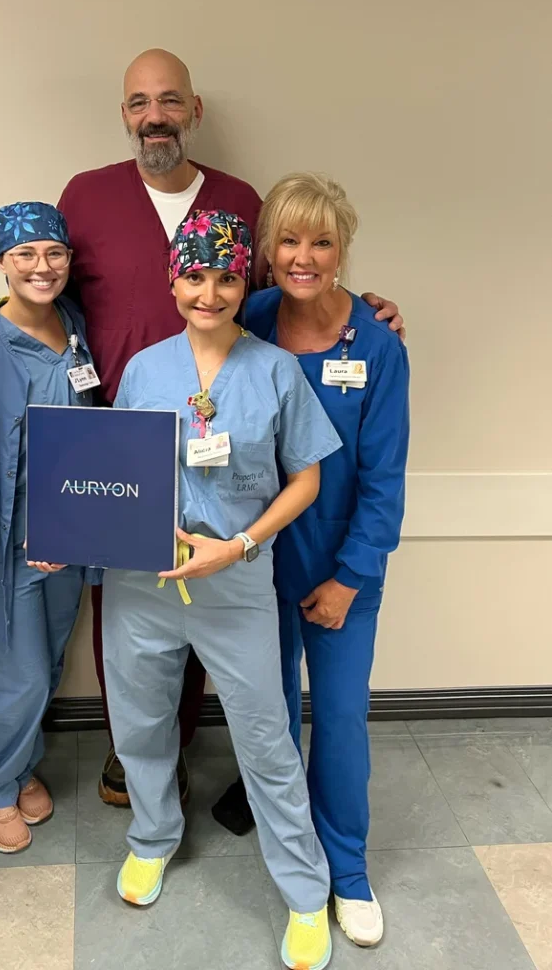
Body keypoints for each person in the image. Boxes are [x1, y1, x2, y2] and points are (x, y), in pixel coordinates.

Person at [58, 46, 405, 808]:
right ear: (124, 114)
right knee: (140, 619)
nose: (154, 116)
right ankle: (146, 765)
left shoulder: (243, 210)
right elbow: (50, 293)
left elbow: (292, 291)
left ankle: (277, 812)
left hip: (246, 473)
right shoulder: (86, 198)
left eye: (169, 100)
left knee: (242, 630)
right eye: (138, 102)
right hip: (128, 446)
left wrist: (366, 313)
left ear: (194, 110)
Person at [102, 209, 342, 970]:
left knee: (265, 738)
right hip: (141, 581)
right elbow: (110, 474)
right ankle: (151, 837)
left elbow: (305, 477)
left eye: (227, 276)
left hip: (234, 581)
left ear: (247, 282)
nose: (209, 291)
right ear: (174, 279)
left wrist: (238, 543)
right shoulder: (144, 369)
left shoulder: (274, 370)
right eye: (195, 275)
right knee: (140, 723)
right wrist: (65, 538)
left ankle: (305, 893)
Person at [218, 173, 410, 949]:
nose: (303, 257)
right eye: (288, 240)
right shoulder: (249, 318)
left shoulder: (376, 345)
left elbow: (383, 481)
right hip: (256, 561)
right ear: (266, 251)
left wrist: (348, 578)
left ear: (343, 249)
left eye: (321, 241)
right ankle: (290, 850)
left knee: (337, 719)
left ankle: (349, 872)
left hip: (339, 568)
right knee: (266, 716)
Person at [0, 203, 95, 854]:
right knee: (19, 676)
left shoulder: (76, 324)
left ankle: (20, 764)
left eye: (54, 253)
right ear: (2, 262)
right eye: (25, 255)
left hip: (69, 533)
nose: (42, 266)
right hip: (4, 540)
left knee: (51, 661)